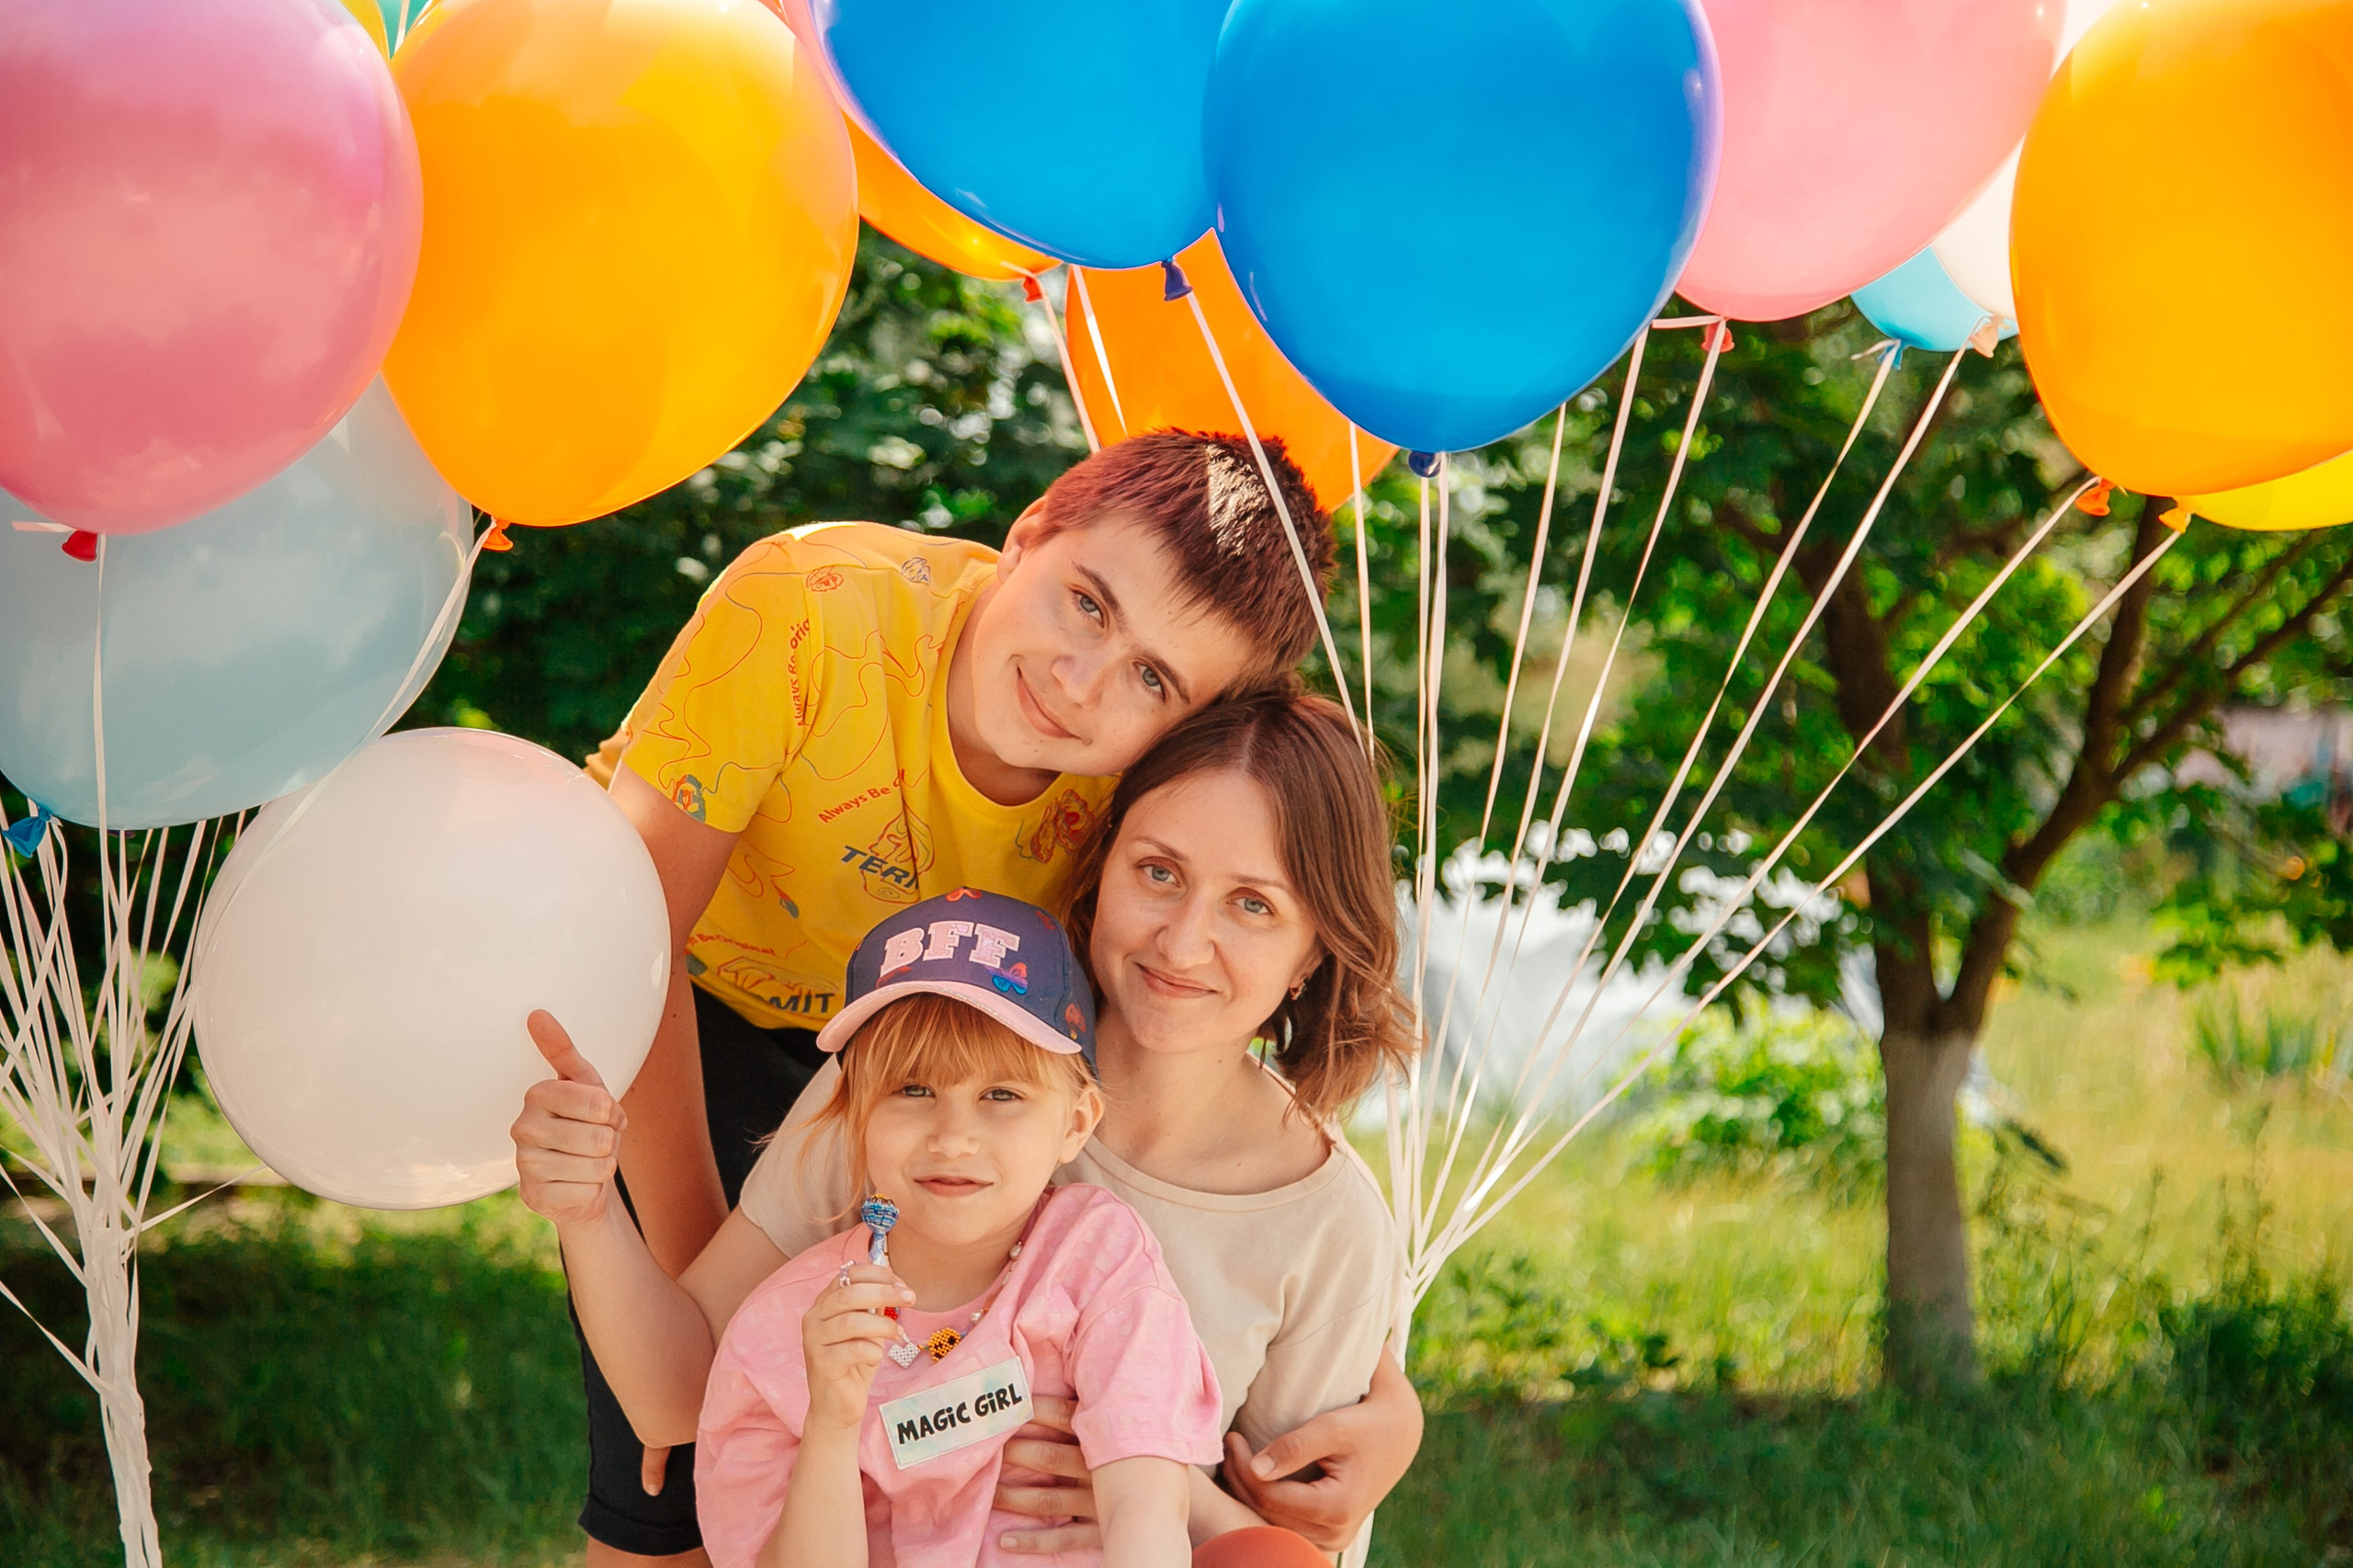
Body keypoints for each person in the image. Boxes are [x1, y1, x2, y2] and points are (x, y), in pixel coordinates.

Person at [565, 430, 1344, 1564]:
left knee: (902, 1470)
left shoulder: (1141, 790)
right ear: (1026, 534)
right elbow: (632, 945)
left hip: (941, 1052)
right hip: (685, 999)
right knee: (671, 1486)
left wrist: (1386, 1402)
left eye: (1152, 678)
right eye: (1086, 603)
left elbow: (1210, 1003)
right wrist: (717, 1323)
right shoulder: (809, 607)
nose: (1084, 682)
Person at [518, 688, 1423, 1562]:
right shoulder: (915, 1076)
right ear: (1101, 864)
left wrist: (1147, 1479)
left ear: (1314, 947)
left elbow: (1298, 1541)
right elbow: (678, 1393)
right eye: (1159, 871)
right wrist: (588, 1208)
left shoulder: (1325, 1221)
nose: (1182, 941)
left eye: (1253, 904)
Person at [695, 890, 1225, 1568]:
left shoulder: (1097, 1259)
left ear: (1075, 1122)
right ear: (855, 1110)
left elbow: (1145, 1502)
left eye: (1001, 1095)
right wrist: (830, 1424)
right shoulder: (784, 1329)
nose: (953, 1138)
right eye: (913, 1090)